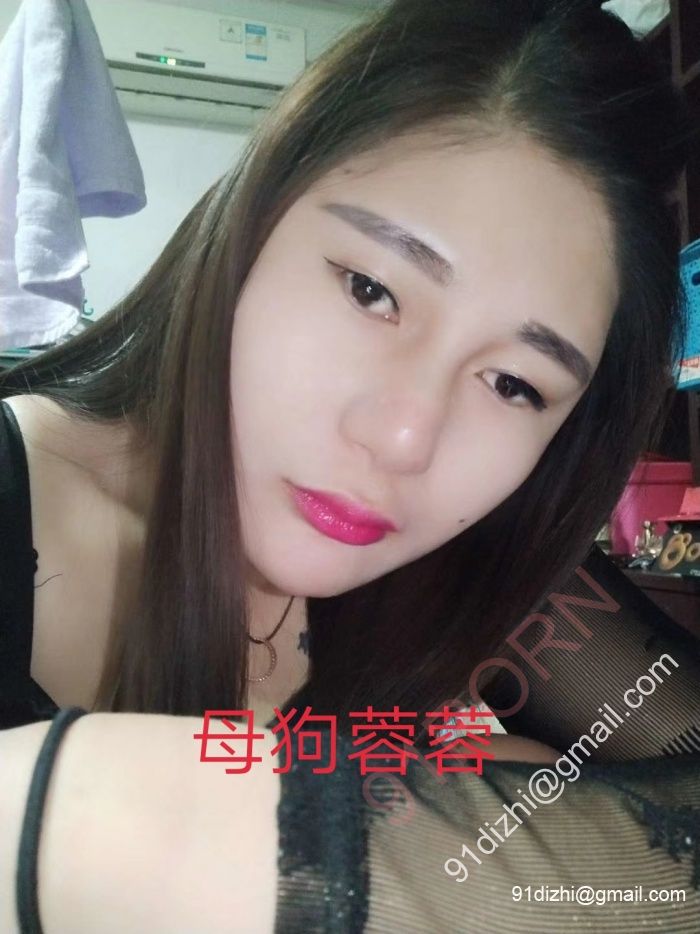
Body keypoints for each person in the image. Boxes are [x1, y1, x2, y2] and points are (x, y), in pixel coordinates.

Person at [1, 0, 699, 929]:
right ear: (251, 222)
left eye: (514, 384)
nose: (405, 438)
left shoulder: (481, 553)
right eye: (372, 291)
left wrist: (99, 817)